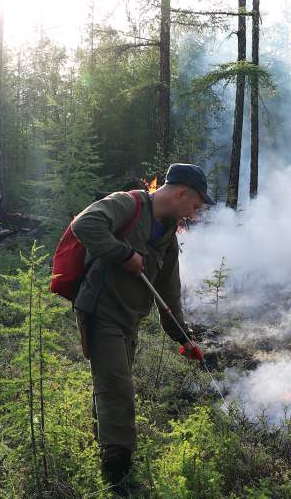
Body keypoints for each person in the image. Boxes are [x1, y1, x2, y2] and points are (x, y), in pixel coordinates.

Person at [69, 163, 214, 493]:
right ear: (180, 193)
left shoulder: (168, 237)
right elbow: (85, 224)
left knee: (111, 385)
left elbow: (169, 294)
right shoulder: (127, 204)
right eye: (194, 206)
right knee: (118, 389)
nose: (193, 214)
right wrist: (123, 254)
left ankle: (102, 451)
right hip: (101, 311)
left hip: (129, 319)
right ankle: (119, 477)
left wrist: (183, 338)